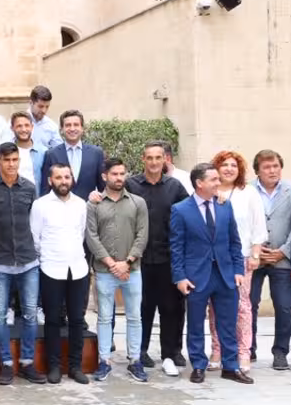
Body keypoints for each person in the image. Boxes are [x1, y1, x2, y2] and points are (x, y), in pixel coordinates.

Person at [170, 163, 251, 385]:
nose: (218, 183)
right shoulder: (180, 210)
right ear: (199, 183)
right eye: (213, 179)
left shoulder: (225, 206)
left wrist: (238, 270)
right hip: (196, 277)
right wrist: (180, 277)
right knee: (195, 324)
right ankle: (198, 365)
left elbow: (235, 242)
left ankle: (231, 366)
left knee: (228, 324)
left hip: (225, 276)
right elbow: (176, 247)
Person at [0, 143, 46, 385]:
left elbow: (35, 222)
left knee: (30, 314)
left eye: (15, 159)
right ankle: (6, 364)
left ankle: (27, 363)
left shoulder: (29, 188)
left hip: (28, 261)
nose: (11, 164)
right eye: (6, 160)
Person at [126, 141, 190, 376]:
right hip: (138, 259)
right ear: (143, 160)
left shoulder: (175, 187)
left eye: (158, 158)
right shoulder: (130, 185)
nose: (154, 162)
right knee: (142, 307)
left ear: (165, 160)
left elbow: (190, 212)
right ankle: (140, 351)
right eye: (149, 158)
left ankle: (171, 353)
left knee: (171, 308)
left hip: (168, 257)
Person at [86, 158, 150, 383]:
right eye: (114, 174)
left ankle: (135, 361)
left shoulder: (138, 203)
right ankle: (104, 361)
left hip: (132, 270)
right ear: (105, 176)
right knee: (104, 317)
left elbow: (142, 235)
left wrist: (127, 262)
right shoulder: (94, 204)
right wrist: (112, 264)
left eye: (122, 173)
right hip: (105, 271)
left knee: (135, 316)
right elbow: (91, 236)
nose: (119, 178)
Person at [208, 150, 267, 373]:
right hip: (214, 259)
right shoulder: (208, 192)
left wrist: (255, 255)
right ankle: (217, 349)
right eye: (224, 165)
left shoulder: (248, 192)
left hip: (240, 258)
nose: (229, 169)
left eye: (233, 165)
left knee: (242, 306)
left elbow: (258, 226)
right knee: (214, 306)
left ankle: (243, 352)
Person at [31, 163, 90, 384]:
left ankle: (75, 367)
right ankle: (54, 366)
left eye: (67, 177)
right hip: (51, 269)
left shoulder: (81, 204)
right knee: (53, 320)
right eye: (58, 177)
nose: (63, 181)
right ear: (50, 181)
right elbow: (35, 238)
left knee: (77, 320)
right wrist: (48, 257)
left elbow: (81, 233)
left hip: (78, 269)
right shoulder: (40, 205)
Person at [249, 149, 291, 369]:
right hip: (254, 259)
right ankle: (248, 348)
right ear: (257, 171)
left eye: (276, 166)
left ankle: (280, 352)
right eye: (267, 167)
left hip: (282, 258)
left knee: (284, 306)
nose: (272, 171)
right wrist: (255, 250)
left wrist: (284, 251)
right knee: (249, 304)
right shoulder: (246, 191)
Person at [40, 110, 104, 199]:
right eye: (68, 125)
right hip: (59, 206)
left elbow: (103, 187)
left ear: (82, 128)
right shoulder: (51, 154)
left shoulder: (96, 153)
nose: (72, 129)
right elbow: (45, 188)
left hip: (88, 205)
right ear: (61, 129)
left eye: (76, 125)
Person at [9, 111, 47, 188]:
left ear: (32, 127)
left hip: (36, 194)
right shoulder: (6, 151)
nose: (23, 129)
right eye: (19, 126)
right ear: (12, 128)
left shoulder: (43, 152)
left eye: (27, 125)